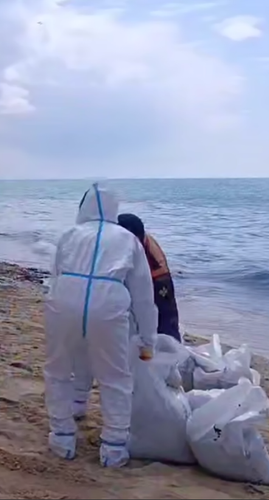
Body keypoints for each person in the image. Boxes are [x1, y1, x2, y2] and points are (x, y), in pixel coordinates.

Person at [44, 184, 157, 468]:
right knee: (115, 377)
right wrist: (147, 339)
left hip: (64, 301)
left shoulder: (69, 234)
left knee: (58, 370)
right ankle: (114, 447)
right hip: (108, 305)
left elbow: (54, 273)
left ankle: (62, 436)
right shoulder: (127, 239)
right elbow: (144, 294)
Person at [117, 213, 181, 342]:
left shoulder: (142, 247)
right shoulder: (135, 239)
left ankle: (170, 347)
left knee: (165, 319)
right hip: (152, 278)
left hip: (157, 280)